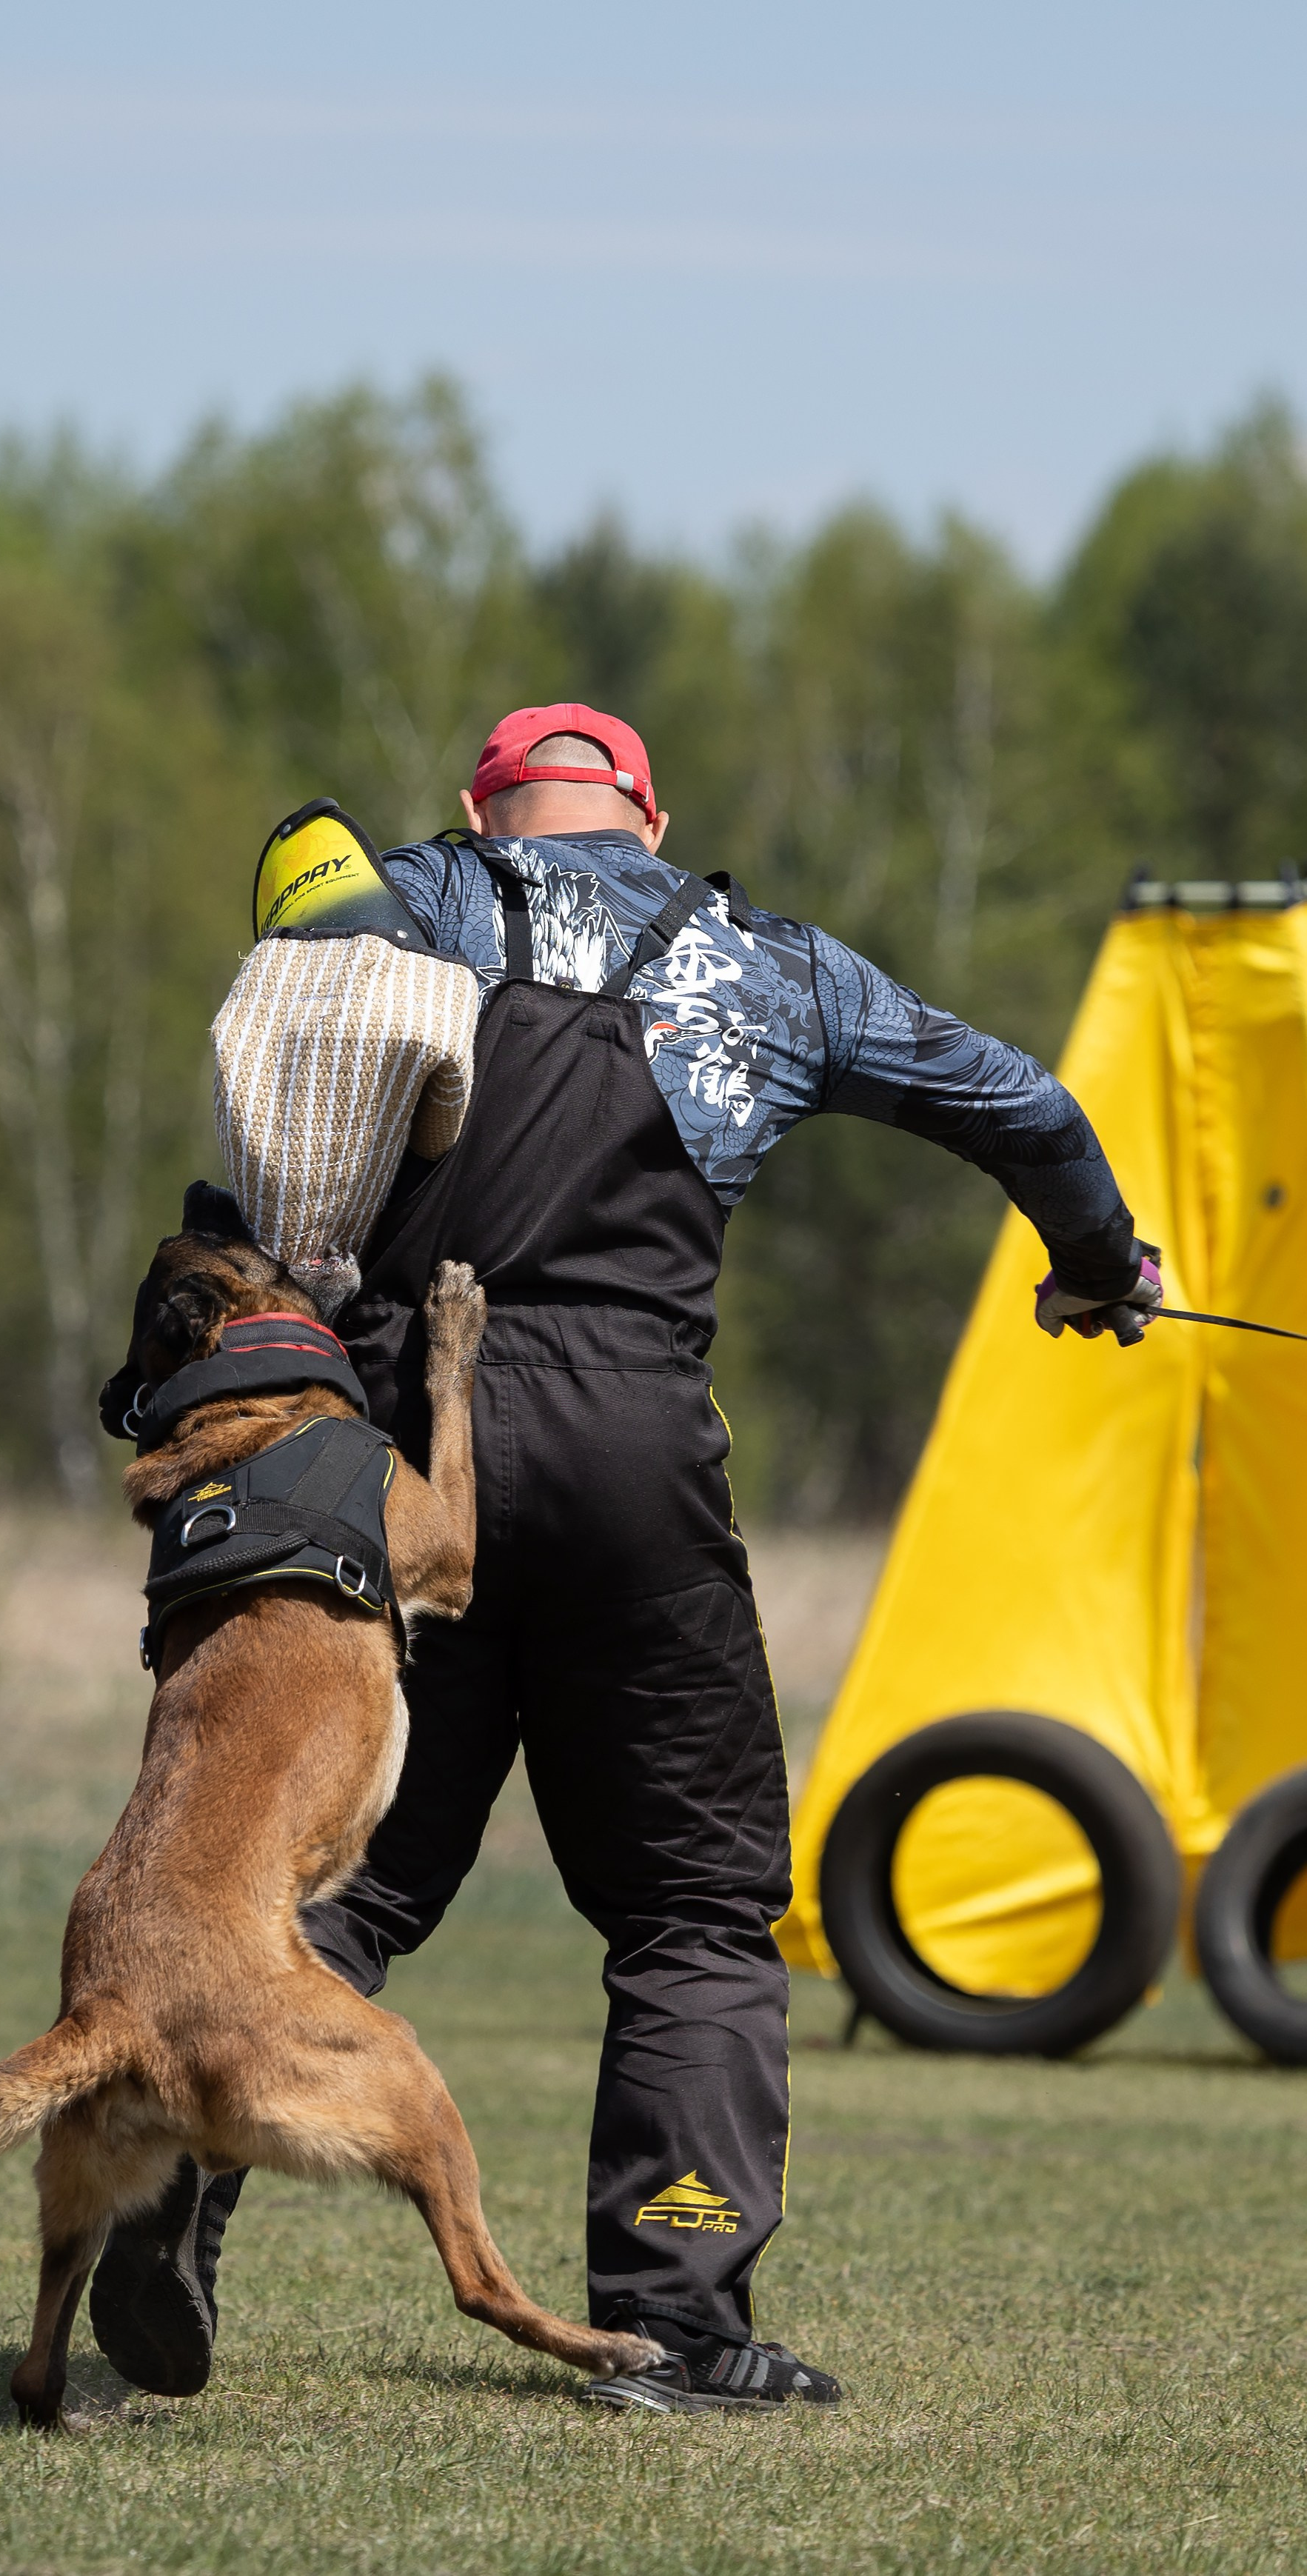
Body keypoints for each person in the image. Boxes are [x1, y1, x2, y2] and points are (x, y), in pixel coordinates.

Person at [90, 701, 1160, 2415]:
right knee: (688, 1904)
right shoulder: (769, 964)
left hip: (395, 1442)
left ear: (476, 806)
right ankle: (672, 2312)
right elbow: (1014, 1099)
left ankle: (169, 2188)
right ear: (648, 814)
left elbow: (272, 1104)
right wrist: (1097, 1260)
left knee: (338, 1882)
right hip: (629, 1444)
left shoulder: (412, 899)